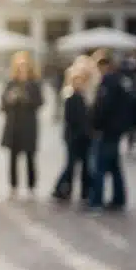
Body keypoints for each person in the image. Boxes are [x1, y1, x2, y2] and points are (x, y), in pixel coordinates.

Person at [87, 55, 130, 213]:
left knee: (99, 166)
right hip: (117, 130)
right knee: (114, 166)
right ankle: (119, 199)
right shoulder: (121, 80)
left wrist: (95, 125)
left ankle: (96, 201)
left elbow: (103, 107)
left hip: (107, 130)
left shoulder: (108, 82)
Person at [0, 52, 44, 199]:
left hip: (29, 127)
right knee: (13, 159)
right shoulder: (11, 83)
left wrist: (27, 99)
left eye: (25, 67)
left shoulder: (34, 84)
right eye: (19, 68)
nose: (22, 71)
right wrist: (10, 99)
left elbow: (40, 102)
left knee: (30, 158)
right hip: (14, 127)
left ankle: (31, 187)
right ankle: (13, 187)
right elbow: (2, 105)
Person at [52, 62, 92, 204]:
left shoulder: (84, 97)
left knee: (85, 167)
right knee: (70, 165)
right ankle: (61, 190)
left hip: (84, 138)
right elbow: (72, 119)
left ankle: (85, 192)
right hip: (74, 137)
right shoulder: (70, 97)